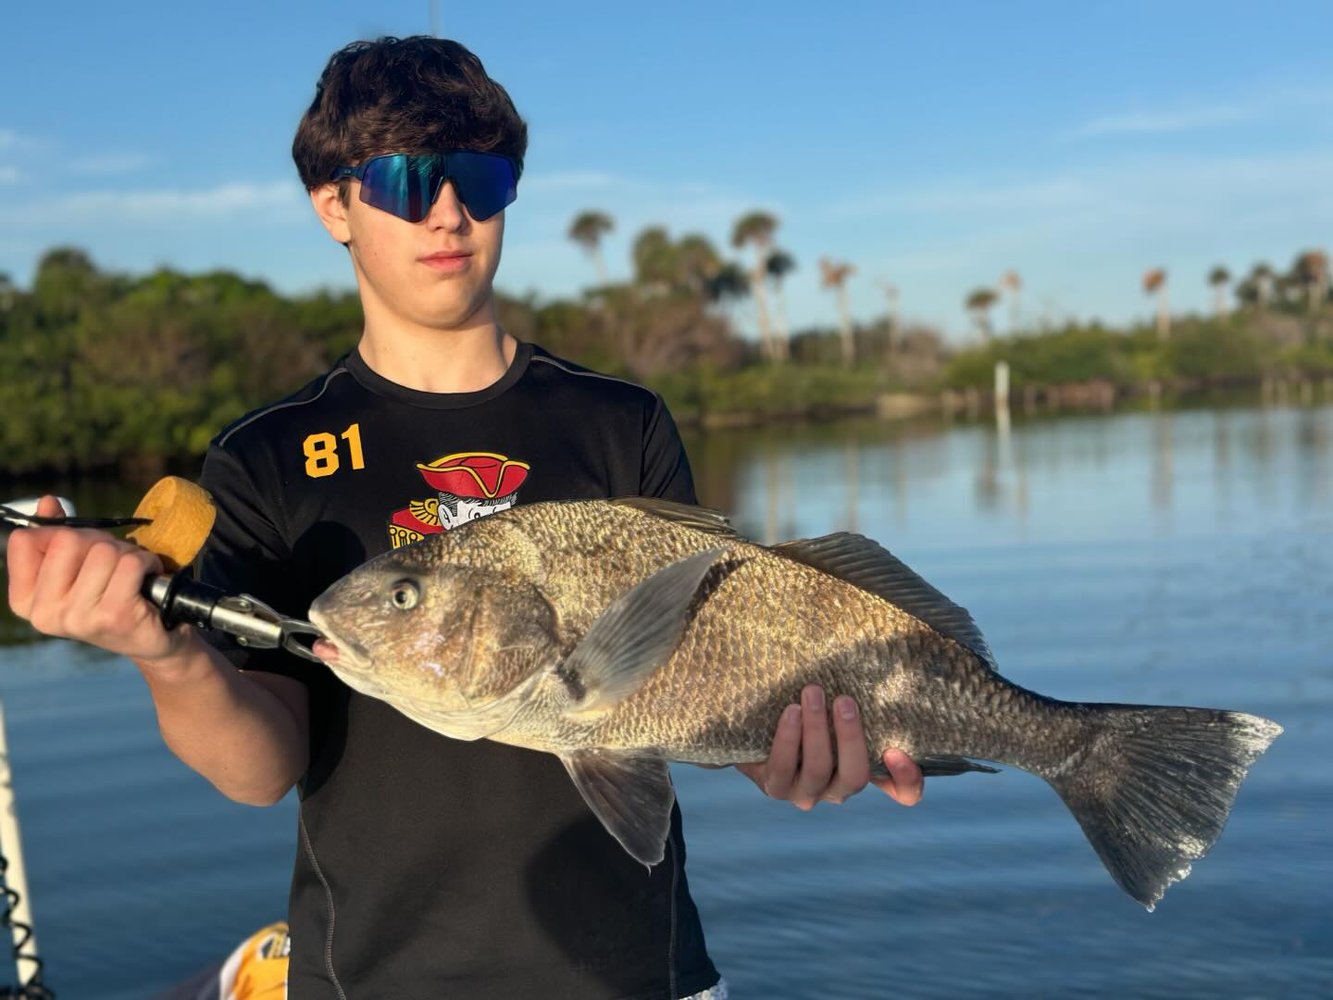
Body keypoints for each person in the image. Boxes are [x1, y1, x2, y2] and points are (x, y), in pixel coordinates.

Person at [6, 36, 923, 998]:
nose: (448, 212)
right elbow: (257, 768)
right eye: (407, 181)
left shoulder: (620, 421)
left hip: (642, 977)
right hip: (374, 977)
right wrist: (166, 654)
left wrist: (785, 757)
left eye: (480, 179)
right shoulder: (267, 455)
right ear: (333, 206)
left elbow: (702, 671)